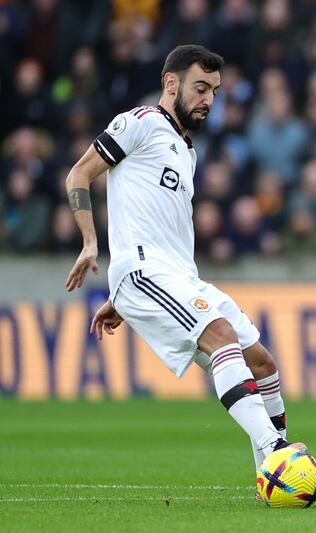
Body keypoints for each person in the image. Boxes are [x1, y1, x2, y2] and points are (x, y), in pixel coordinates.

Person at [63, 45, 302, 478]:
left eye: (214, 91)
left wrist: (122, 298)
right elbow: (78, 174)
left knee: (263, 362)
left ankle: (269, 478)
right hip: (143, 271)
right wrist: (90, 243)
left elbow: (152, 219)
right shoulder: (139, 123)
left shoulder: (185, 150)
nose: (209, 99)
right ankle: (278, 452)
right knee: (221, 335)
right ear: (171, 83)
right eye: (200, 87)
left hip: (175, 277)